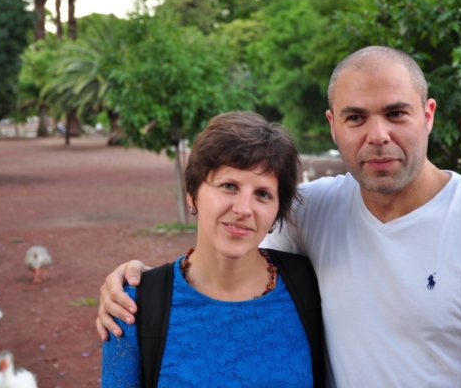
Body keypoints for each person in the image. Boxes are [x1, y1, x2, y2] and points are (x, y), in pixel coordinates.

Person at [97, 46, 461, 387]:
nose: (378, 135)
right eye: (356, 117)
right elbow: (229, 246)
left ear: (427, 115)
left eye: (396, 113)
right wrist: (140, 282)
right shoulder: (314, 210)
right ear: (333, 126)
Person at [101, 111, 325, 387]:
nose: (243, 209)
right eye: (229, 186)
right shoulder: (134, 304)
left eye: (263, 194)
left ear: (277, 212)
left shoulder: (308, 285)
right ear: (192, 193)